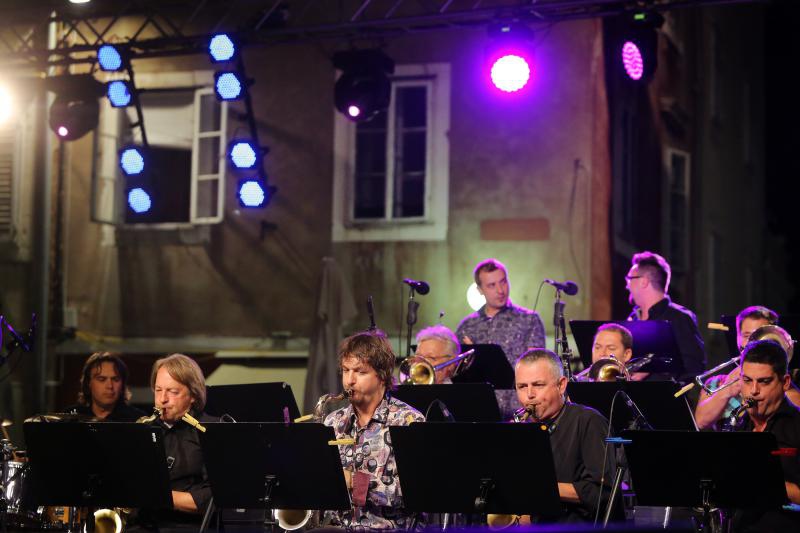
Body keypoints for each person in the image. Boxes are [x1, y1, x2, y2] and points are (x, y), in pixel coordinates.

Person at [323, 330, 425, 530]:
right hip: (338, 527)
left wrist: (354, 482)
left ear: (382, 376)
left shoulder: (409, 421)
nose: (349, 381)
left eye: (360, 372)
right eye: (345, 370)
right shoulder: (333, 421)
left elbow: (414, 492)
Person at [514, 348, 617, 523]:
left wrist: (541, 489)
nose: (529, 395)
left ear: (561, 385)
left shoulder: (589, 421)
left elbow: (603, 493)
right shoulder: (522, 427)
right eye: (522, 386)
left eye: (538, 385)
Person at [456, 258, 546, 417]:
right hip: (478, 410)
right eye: (492, 285)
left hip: (519, 410)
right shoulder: (467, 326)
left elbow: (536, 368)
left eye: (503, 282)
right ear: (479, 290)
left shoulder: (529, 319)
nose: (500, 290)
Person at [139, 353, 214, 530]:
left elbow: (212, 497)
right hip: (144, 525)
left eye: (172, 391)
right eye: (158, 390)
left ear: (193, 395)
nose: (162, 399)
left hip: (189, 526)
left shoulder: (210, 430)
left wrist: (157, 496)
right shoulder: (144, 427)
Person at [732, 339, 800, 531]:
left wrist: (768, 483)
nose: (753, 391)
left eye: (764, 381)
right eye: (747, 381)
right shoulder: (736, 426)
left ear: (785, 382)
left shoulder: (797, 427)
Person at [695, 306, 792, 429]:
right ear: (738, 338)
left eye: (760, 335)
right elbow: (700, 422)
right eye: (747, 335)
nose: (753, 341)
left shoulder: (789, 378)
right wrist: (728, 389)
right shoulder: (716, 383)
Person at [626, 251, 705, 381]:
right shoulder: (632, 319)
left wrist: (653, 369)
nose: (627, 285)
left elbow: (693, 366)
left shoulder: (679, 317)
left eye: (629, 279)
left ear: (644, 282)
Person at [65, 352, 145, 421]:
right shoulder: (70, 417)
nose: (110, 386)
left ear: (123, 384)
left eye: (115, 379)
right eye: (101, 379)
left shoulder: (137, 420)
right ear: (88, 382)